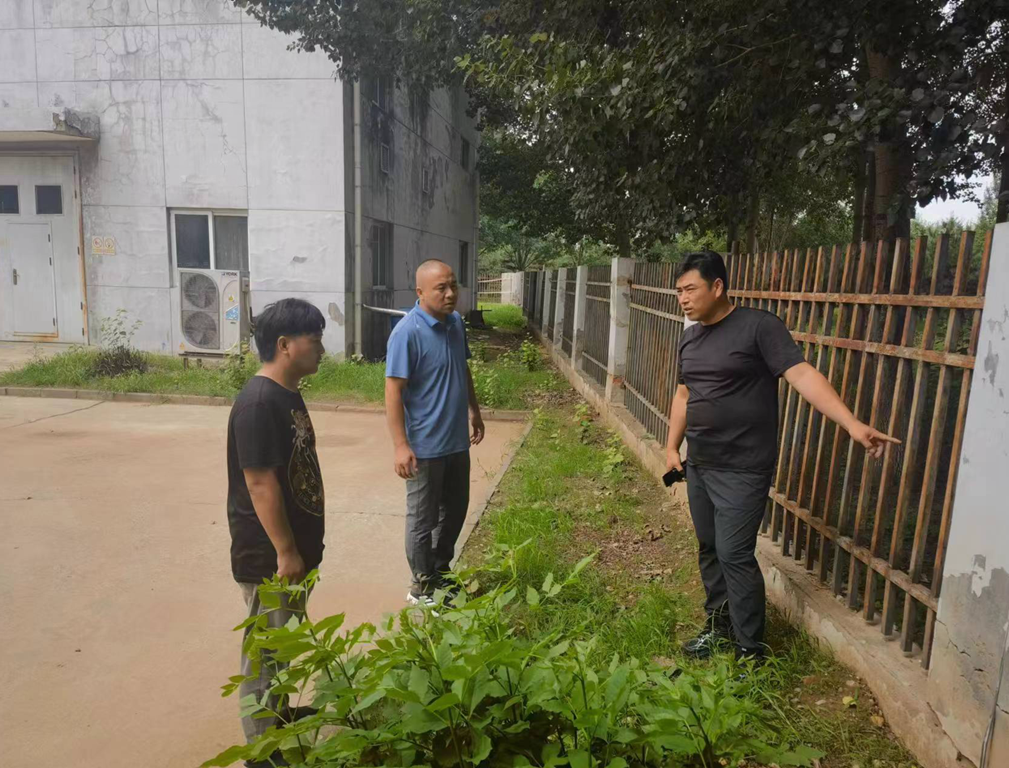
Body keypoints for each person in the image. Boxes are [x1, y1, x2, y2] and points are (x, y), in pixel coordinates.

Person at [665, 251, 898, 661]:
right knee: (710, 548)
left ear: (717, 286)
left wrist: (851, 423)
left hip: (743, 467)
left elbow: (801, 374)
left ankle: (750, 649)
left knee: (734, 553)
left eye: (690, 289)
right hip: (699, 463)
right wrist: (671, 447)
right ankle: (719, 628)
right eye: (679, 291)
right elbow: (684, 394)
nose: (683, 299)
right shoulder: (690, 337)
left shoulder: (758, 327)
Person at [225, 298, 326, 766]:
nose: (321, 348)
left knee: (280, 644)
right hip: (270, 557)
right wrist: (286, 551)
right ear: (285, 345)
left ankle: (278, 714)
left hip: (293, 552)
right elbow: (260, 483)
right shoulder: (259, 403)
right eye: (315, 339)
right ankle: (262, 751)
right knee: (265, 654)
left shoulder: (286, 394)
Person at [385, 259, 485, 608]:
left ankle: (440, 571)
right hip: (424, 446)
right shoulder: (407, 333)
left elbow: (462, 367)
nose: (450, 293)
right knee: (422, 519)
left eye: (453, 285)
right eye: (441, 288)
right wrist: (401, 445)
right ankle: (420, 586)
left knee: (454, 510)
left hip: (456, 441)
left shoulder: (455, 323)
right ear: (420, 292)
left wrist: (474, 410)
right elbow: (393, 391)